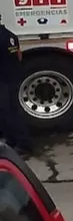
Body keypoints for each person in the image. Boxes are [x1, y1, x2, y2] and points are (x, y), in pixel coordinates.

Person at [0, 18, 31, 154]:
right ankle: (11, 141)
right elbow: (19, 56)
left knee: (8, 113)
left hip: (3, 80)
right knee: (9, 111)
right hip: (12, 78)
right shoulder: (11, 35)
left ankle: (23, 144)